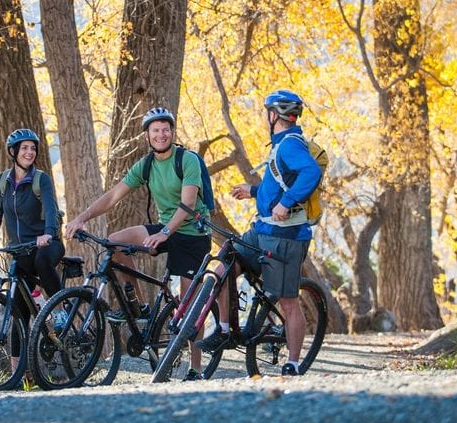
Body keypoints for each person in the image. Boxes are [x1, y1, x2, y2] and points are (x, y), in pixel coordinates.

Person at [64, 107, 212, 380]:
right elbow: (113, 197)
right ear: (147, 136)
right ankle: (141, 307)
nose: (161, 134)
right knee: (114, 243)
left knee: (189, 303)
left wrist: (164, 232)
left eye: (165, 129)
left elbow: (188, 204)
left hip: (193, 234)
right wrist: (81, 218)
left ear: (172, 132)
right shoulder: (146, 165)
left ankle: (196, 367)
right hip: (166, 228)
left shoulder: (187, 159)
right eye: (155, 130)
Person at [196, 89, 321, 377]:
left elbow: (311, 173)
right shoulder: (280, 145)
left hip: (286, 237)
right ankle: (225, 329)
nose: (265, 117)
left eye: (267, 113)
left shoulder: (289, 145)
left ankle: (293, 363)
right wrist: (253, 191)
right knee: (224, 265)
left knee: (287, 301)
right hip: (262, 230)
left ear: (274, 115)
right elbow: (279, 182)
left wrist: (286, 203)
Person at [0, 128, 66, 337]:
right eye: (24, 148)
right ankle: (20, 360)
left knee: (42, 260)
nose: (29, 152)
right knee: (18, 312)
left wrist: (49, 233)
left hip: (46, 245)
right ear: (13, 152)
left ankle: (60, 311)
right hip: (21, 250)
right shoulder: (3, 181)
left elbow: (50, 210)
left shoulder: (41, 179)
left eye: (33, 148)